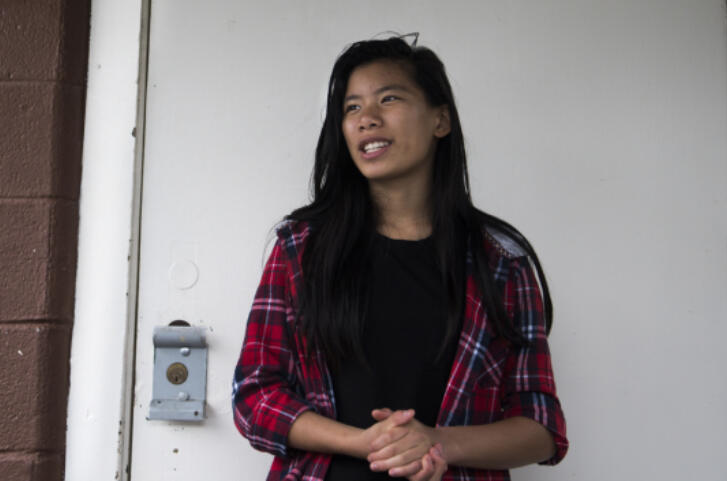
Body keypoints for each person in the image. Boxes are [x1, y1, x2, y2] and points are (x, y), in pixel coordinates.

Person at [232, 36, 567, 481]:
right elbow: (254, 396)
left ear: (440, 120)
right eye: (351, 108)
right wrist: (364, 442)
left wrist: (436, 442)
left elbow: (542, 427)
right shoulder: (301, 249)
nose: (366, 119)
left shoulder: (501, 262)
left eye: (388, 98)